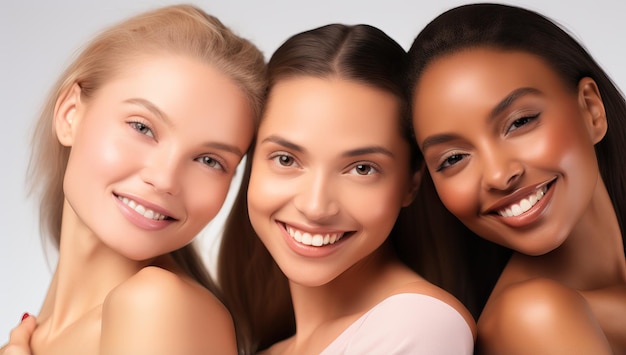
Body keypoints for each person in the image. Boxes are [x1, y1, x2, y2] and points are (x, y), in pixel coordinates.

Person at [0, 4, 265, 354]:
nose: (165, 178)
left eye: (209, 160)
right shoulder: (35, 337)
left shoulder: (156, 305)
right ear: (70, 115)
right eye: (142, 128)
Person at [218, 23, 475, 354]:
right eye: (285, 159)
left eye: (362, 168)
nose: (315, 206)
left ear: (412, 182)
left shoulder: (419, 324)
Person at [406, 3, 626, 354]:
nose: (498, 174)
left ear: (591, 110)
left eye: (520, 122)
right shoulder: (533, 316)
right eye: (453, 158)